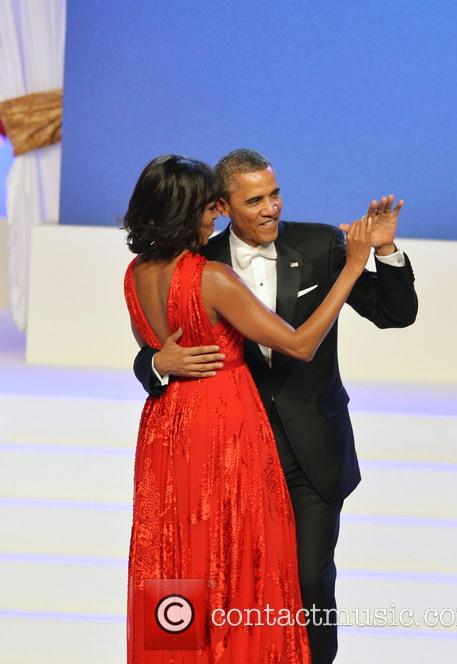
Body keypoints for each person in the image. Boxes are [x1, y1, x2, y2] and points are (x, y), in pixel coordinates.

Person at [133, 149, 418, 664]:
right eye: (254, 200)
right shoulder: (204, 263)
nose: (271, 208)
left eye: (275, 194)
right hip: (230, 450)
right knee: (212, 575)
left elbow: (395, 314)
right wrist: (157, 361)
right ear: (220, 205)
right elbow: (154, 347)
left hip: (307, 449)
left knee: (306, 582)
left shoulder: (320, 244)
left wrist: (385, 250)